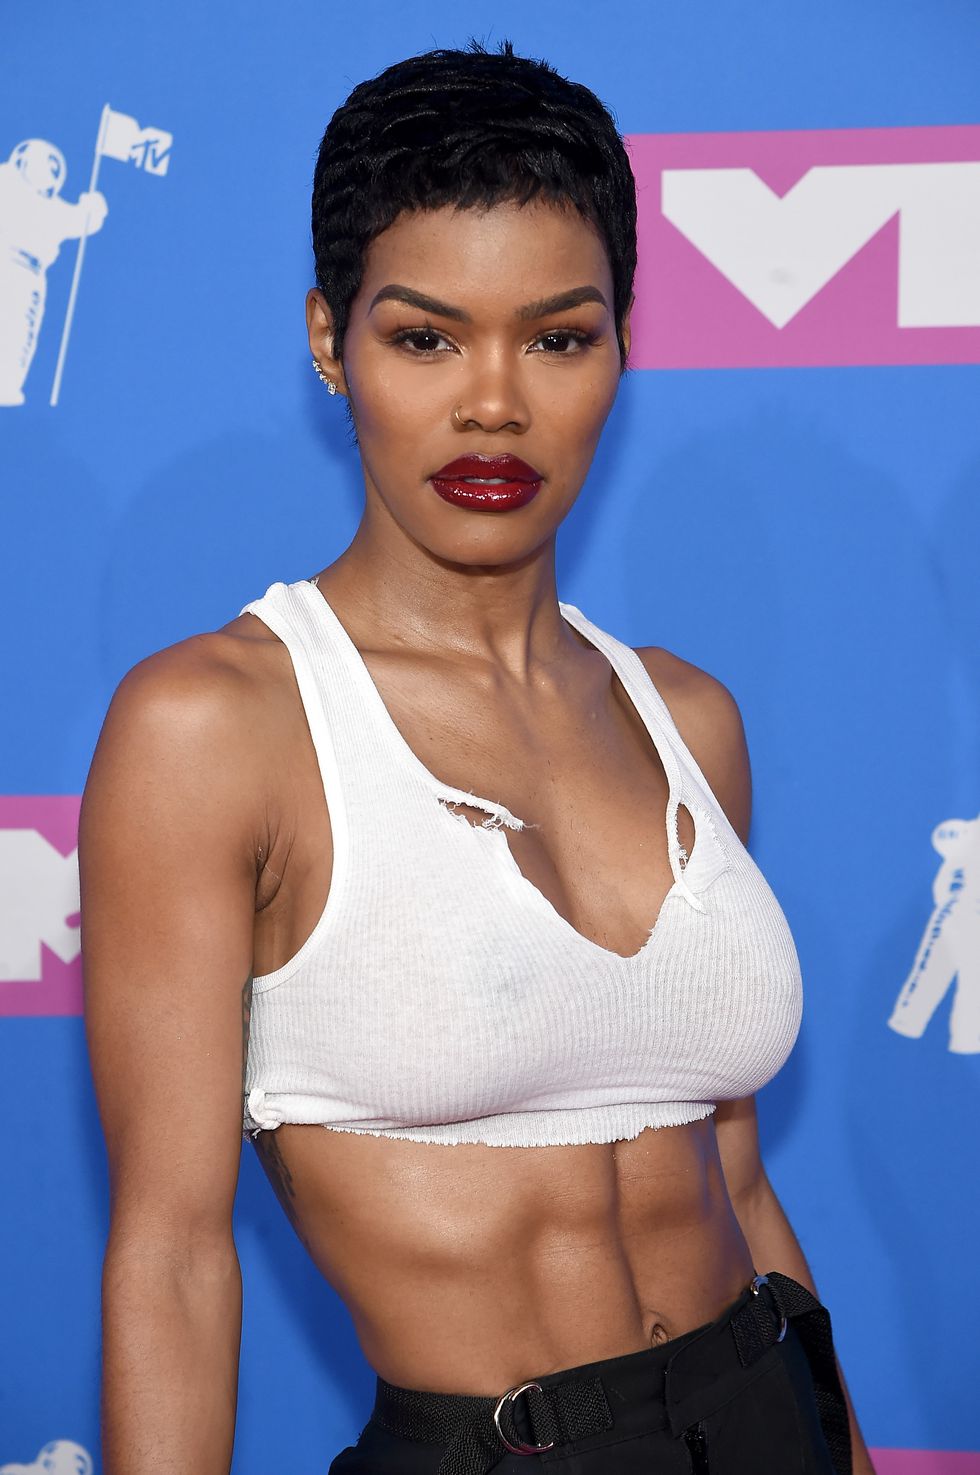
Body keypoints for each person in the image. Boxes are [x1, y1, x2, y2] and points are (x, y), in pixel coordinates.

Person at [80, 38, 875, 1475]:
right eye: (426, 338)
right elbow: (175, 1257)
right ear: (331, 342)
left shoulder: (687, 717)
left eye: (557, 338)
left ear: (622, 346)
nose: (495, 402)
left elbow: (740, 1183)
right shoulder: (217, 726)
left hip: (772, 1412)